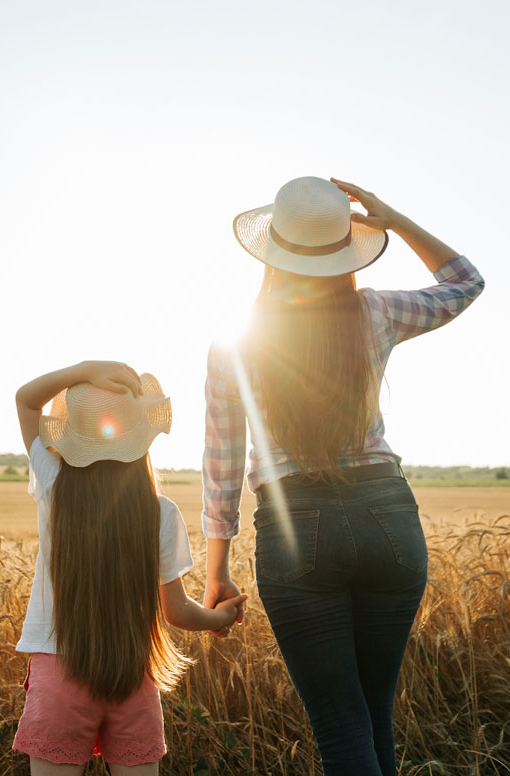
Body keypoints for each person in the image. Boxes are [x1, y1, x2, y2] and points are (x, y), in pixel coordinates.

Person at [201, 176, 486, 775]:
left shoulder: (236, 344)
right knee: (371, 717)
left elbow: (222, 467)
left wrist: (217, 572)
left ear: (270, 250)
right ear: (344, 246)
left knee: (340, 725)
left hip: (295, 524)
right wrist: (396, 219)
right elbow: (466, 282)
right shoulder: (378, 310)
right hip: (390, 517)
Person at [13, 360, 248, 775]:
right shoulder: (158, 512)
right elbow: (177, 611)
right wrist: (218, 616)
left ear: (72, 438)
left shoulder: (53, 487)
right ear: (142, 440)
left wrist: (85, 370)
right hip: (131, 671)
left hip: (57, 669)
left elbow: (26, 399)